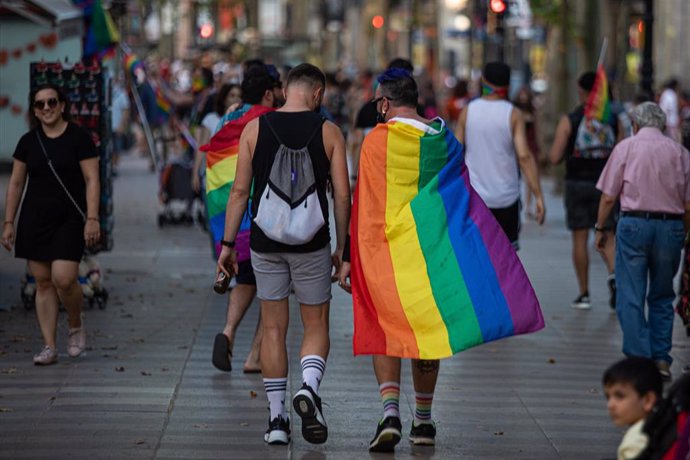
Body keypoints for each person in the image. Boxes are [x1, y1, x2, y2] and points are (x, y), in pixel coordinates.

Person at [339, 68, 544, 453]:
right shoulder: (444, 141)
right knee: (426, 332)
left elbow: (364, 204)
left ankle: (389, 414)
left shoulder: (377, 143)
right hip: (433, 254)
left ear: (384, 103)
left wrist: (350, 257)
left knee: (384, 327)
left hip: (385, 255)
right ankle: (423, 420)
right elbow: (459, 198)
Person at [215, 63, 350, 445]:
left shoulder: (255, 129)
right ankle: (307, 388)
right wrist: (343, 247)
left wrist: (227, 246)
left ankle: (276, 420)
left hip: (265, 242)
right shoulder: (329, 132)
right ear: (318, 94)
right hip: (312, 243)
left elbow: (239, 192)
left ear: (286, 90)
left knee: (273, 328)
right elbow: (342, 194)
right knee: (316, 324)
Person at [1, 84, 100, 365]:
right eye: (40, 104)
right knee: (42, 282)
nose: (47, 108)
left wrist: (92, 218)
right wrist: (9, 222)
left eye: (52, 102)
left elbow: (92, 179)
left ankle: (75, 323)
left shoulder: (79, 138)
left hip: (70, 219)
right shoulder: (28, 142)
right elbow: (17, 183)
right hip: (35, 219)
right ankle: (49, 346)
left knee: (64, 278)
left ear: (63, 105)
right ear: (34, 110)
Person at [595, 102, 690, 382]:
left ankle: (639, 359)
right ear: (661, 125)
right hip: (671, 226)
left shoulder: (626, 148)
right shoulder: (680, 153)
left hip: (634, 224)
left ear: (635, 124)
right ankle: (660, 358)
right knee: (662, 295)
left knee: (630, 295)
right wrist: (682, 233)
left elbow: (609, 196)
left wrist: (600, 227)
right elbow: (688, 204)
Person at [204, 67, 277, 374]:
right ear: (269, 93)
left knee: (245, 278)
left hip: (230, 216)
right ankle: (255, 356)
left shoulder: (228, 119)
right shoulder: (270, 120)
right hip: (262, 214)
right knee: (274, 287)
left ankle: (228, 330)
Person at [549, 71, 621, 310]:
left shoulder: (571, 119)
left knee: (580, 238)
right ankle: (613, 277)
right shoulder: (613, 121)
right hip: (606, 186)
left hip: (577, 184)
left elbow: (555, 156)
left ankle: (584, 293)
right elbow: (621, 153)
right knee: (607, 236)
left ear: (582, 92)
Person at [456, 62, 545, 250]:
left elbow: (455, 152)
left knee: (479, 254)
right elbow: (524, 156)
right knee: (507, 258)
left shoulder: (467, 112)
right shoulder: (513, 114)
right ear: (508, 85)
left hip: (476, 198)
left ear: (483, 81)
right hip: (507, 199)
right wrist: (538, 196)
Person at [602, 357, 663, 460]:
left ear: (648, 400)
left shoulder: (636, 443)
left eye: (620, 396)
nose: (610, 405)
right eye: (608, 397)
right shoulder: (660, 425)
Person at [191, 83, 241, 195]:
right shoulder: (210, 119)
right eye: (232, 95)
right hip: (212, 181)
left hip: (234, 181)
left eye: (239, 96)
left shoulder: (244, 121)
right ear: (224, 99)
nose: (236, 99)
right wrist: (195, 174)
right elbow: (201, 148)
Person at [513, 86, 542, 218]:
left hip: (530, 146)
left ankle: (528, 204)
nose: (523, 97)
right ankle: (522, 202)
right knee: (517, 176)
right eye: (521, 94)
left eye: (525, 94)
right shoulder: (513, 111)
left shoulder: (532, 111)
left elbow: (536, 129)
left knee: (530, 177)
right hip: (516, 147)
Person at [659, 78, 681, 143]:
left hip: (670, 121)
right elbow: (665, 108)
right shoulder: (669, 93)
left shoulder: (668, 93)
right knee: (672, 141)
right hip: (670, 121)